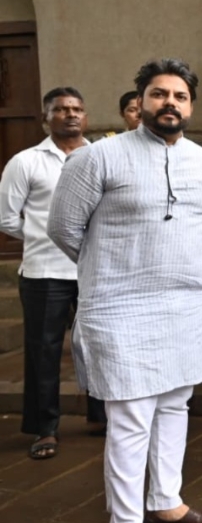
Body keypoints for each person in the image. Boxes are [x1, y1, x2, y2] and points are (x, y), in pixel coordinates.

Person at [47, 58, 202, 523]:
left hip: (186, 306)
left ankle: (166, 501)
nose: (170, 103)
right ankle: (125, 518)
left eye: (180, 96)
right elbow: (65, 229)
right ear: (140, 101)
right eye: (159, 94)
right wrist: (115, 270)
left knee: (174, 406)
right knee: (129, 418)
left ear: (191, 105)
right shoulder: (97, 158)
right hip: (119, 308)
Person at [0, 87, 106, 459]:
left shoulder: (101, 157)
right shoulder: (26, 162)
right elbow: (7, 218)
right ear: (47, 118)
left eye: (77, 108)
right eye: (61, 109)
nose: (71, 115)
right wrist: (45, 235)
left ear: (86, 116)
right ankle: (45, 428)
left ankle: (100, 415)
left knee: (98, 346)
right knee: (43, 350)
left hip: (95, 270)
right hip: (45, 271)